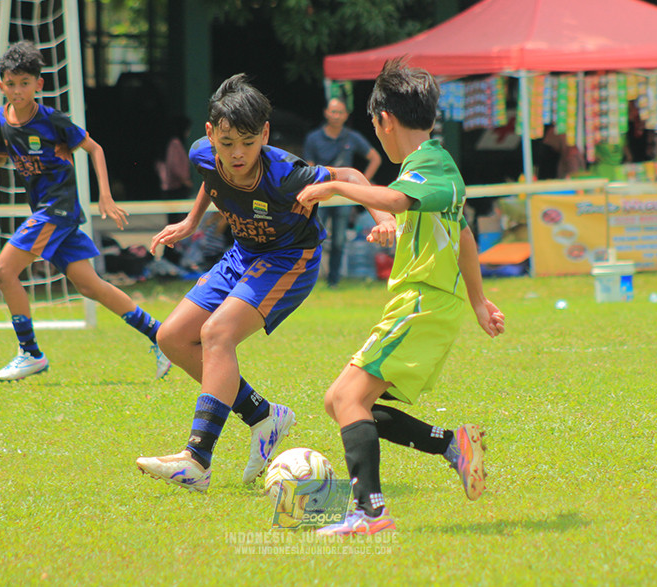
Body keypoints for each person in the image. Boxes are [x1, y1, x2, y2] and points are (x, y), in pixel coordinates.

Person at [136, 74, 395, 492]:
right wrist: (190, 221)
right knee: (171, 337)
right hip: (243, 253)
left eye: (248, 142)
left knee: (216, 334)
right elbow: (211, 177)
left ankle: (197, 459)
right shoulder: (203, 152)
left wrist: (384, 219)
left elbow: (351, 175)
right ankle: (263, 415)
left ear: (266, 134)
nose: (237, 154)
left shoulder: (286, 174)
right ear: (210, 135)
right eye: (227, 143)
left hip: (289, 259)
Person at [295, 59, 506, 536]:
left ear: (384, 120)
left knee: (347, 397)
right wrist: (477, 302)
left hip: (422, 305)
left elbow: (394, 200)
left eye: (375, 126)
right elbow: (462, 235)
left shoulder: (431, 163)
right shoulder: (429, 167)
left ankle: (370, 514)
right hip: (420, 305)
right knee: (340, 401)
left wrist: (334, 186)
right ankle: (451, 445)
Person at [0, 40, 171, 380]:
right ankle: (162, 337)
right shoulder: (1, 118)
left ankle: (30, 353)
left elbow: (95, 148)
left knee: (4, 271)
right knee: (91, 286)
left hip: (57, 210)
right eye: (10, 84)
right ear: (1, 86)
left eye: (25, 83)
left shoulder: (52, 120)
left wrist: (105, 196)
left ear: (38, 84)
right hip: (48, 212)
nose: (17, 90)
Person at [303, 97, 383, 286]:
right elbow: (309, 167)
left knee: (339, 240)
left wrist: (361, 183)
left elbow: (375, 158)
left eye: (340, 112)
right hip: (321, 196)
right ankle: (308, 280)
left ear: (346, 115)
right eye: (333, 111)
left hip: (344, 197)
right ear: (326, 113)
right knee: (314, 238)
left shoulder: (352, 137)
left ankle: (334, 281)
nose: (336, 116)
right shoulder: (313, 138)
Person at [155, 114, 194, 225]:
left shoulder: (170, 143)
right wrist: (186, 181)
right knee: (177, 220)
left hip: (171, 188)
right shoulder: (175, 143)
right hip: (176, 188)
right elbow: (175, 166)